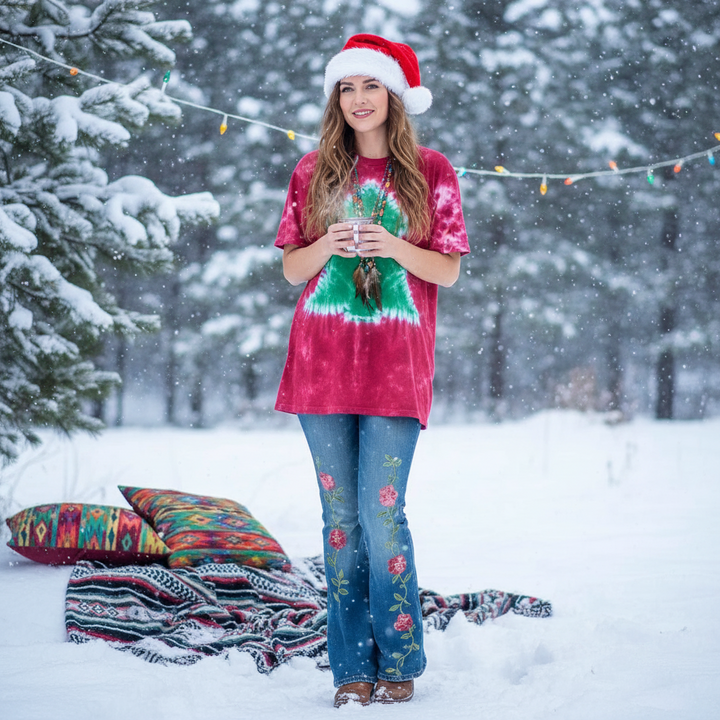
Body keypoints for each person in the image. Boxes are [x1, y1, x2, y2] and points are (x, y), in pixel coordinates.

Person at [274, 34, 469, 707]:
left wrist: (392, 244)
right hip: (320, 368)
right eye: (347, 88)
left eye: (371, 86)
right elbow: (291, 268)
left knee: (382, 516)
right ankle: (350, 666)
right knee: (339, 521)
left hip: (394, 370)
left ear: (393, 96)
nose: (358, 99)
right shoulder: (313, 172)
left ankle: (402, 657)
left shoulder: (432, 172)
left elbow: (447, 268)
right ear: (337, 98)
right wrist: (328, 241)